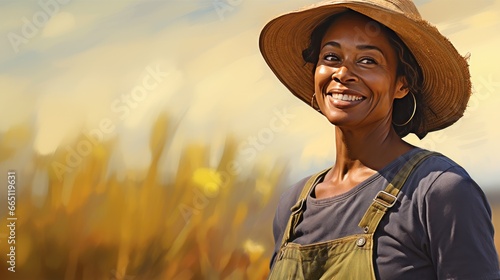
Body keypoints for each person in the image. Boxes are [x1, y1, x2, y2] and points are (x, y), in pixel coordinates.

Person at [259, 0, 500, 279]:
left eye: (367, 61)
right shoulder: (293, 205)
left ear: (401, 84)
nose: (342, 74)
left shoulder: (439, 191)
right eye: (331, 57)